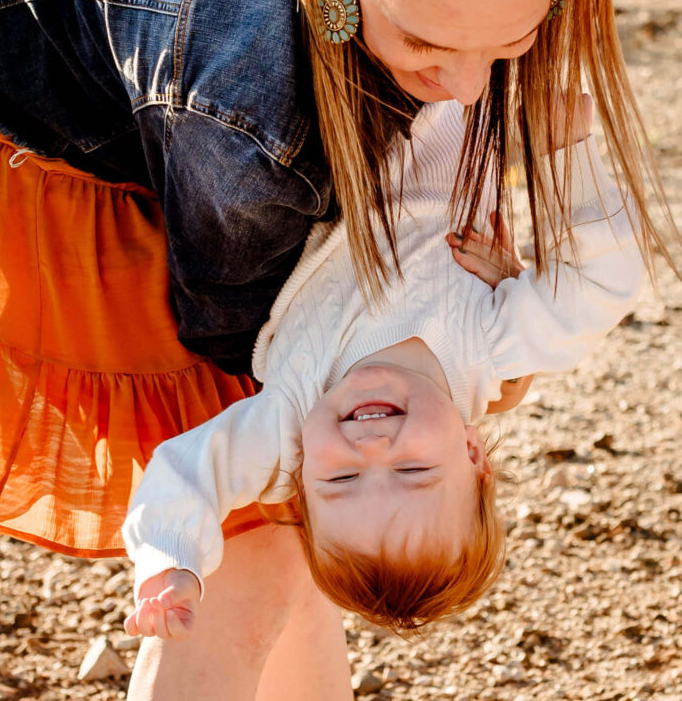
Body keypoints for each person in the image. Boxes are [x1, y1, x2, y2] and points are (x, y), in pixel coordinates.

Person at [0, 0, 674, 701]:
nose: (463, 90)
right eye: (426, 45)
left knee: (297, 536)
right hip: (69, 132)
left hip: (207, 100)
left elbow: (232, 473)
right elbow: (221, 337)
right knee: (266, 555)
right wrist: (179, 567)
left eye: (506, 45)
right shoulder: (246, 120)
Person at [120, 91, 643, 638]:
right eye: (412, 471)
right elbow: (599, 287)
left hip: (329, 121)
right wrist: (566, 156)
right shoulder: (493, 346)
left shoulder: (291, 418)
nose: (370, 449)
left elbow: (189, 472)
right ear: (472, 452)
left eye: (341, 477)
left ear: (299, 475)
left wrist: (169, 562)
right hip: (453, 101)